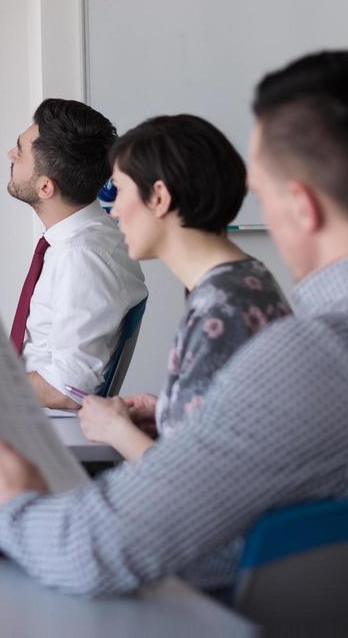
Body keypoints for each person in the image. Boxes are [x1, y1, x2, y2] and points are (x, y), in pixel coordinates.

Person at [0, 51, 348, 596]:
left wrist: (8, 505)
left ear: (303, 205)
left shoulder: (305, 360)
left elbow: (92, 549)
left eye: (262, 195)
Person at [77, 114, 291, 463]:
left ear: (158, 197)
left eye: (120, 190)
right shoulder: (245, 278)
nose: (113, 210)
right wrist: (170, 412)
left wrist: (115, 430)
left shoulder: (222, 307)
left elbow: (190, 479)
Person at [0, 99, 146, 410]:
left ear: (46, 187)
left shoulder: (83, 258)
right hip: (28, 418)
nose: (10, 155)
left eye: (19, 151)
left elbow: (68, 388)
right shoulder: (78, 241)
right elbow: (52, 355)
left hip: (45, 438)